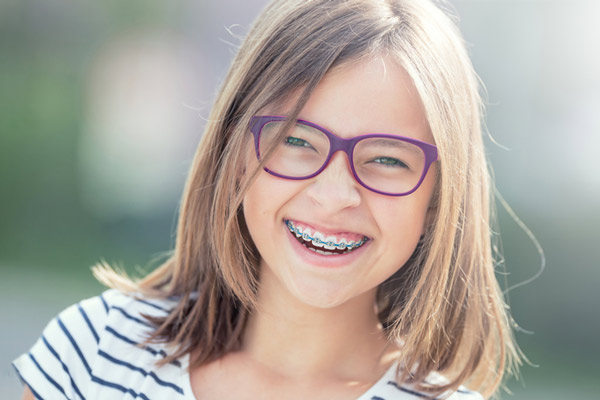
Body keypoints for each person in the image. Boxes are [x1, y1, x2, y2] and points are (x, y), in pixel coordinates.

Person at [13, 0, 523, 398]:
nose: (335, 195)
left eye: (387, 159)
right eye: (297, 142)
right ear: (233, 155)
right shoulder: (96, 352)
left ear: (439, 196)